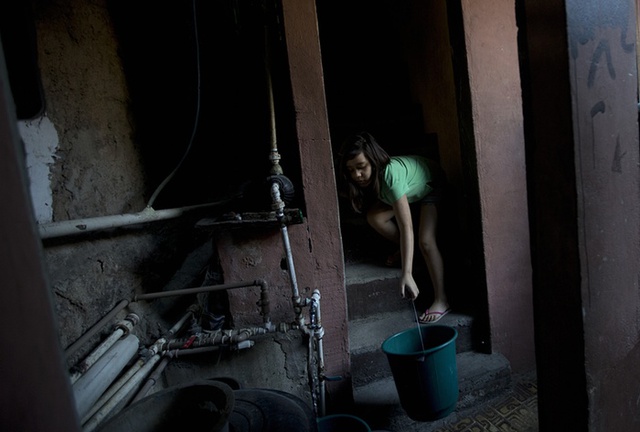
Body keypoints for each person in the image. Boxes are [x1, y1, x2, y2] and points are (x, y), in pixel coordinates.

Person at [339, 131, 450, 323]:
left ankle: (442, 300)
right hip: (409, 189)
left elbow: (406, 226)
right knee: (375, 217)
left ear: (373, 161)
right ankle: (405, 248)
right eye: (350, 170)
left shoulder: (390, 177)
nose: (356, 175)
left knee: (426, 241)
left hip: (431, 185)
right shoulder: (365, 180)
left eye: (361, 167)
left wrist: (406, 273)